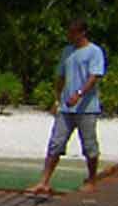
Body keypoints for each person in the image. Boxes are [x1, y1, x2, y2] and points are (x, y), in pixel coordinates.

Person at [30, 18, 106, 194]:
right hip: (66, 108)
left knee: (89, 145)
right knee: (56, 143)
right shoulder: (67, 52)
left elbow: (94, 76)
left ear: (82, 33)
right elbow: (61, 76)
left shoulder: (94, 52)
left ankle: (92, 179)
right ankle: (44, 181)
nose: (69, 36)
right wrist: (57, 99)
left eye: (73, 32)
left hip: (86, 108)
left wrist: (79, 94)